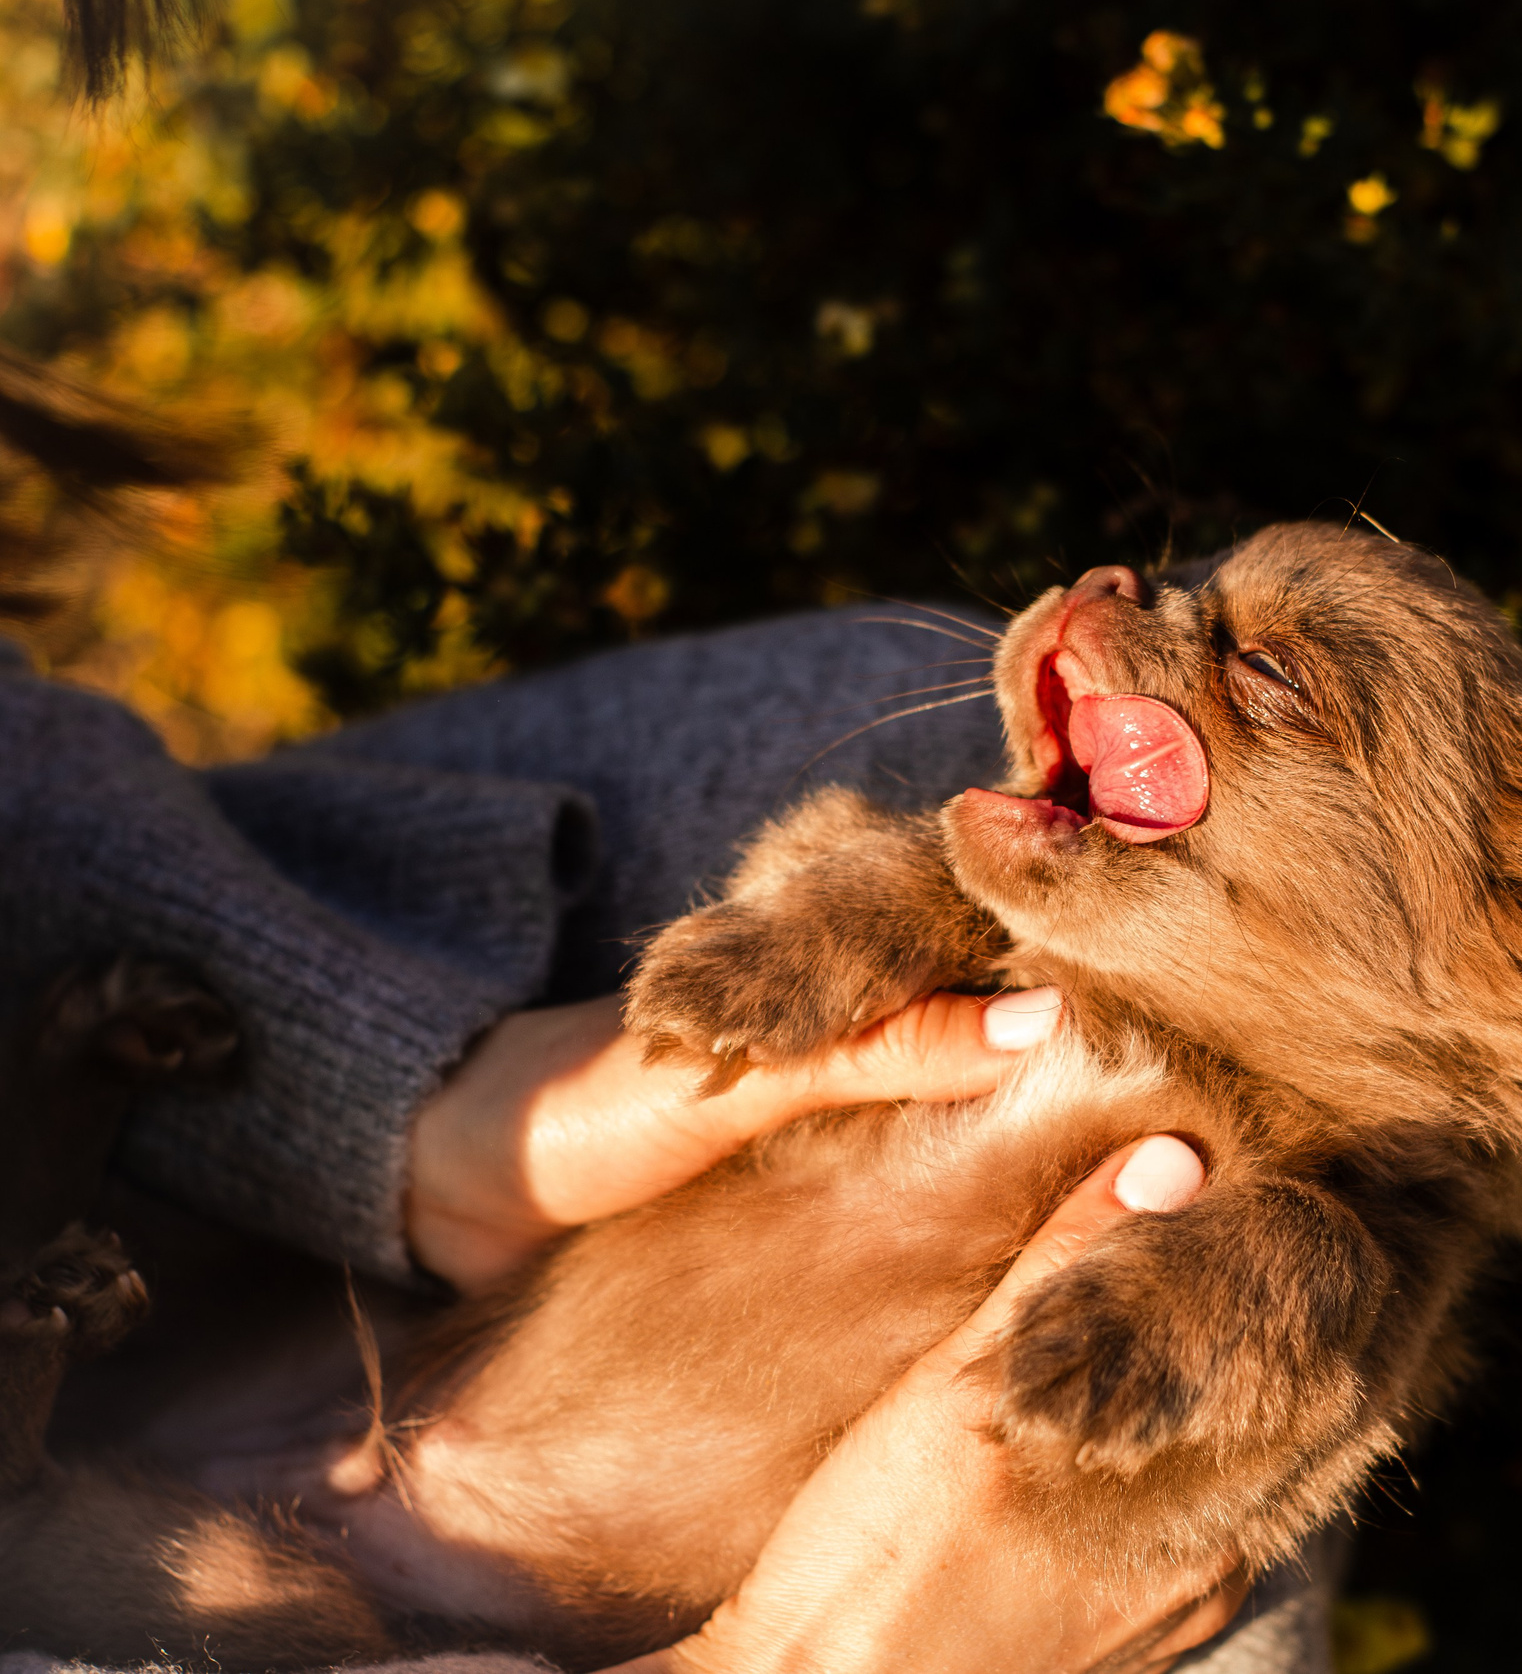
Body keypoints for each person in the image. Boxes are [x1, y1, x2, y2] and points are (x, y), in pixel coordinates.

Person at [0, 605, 1339, 1674]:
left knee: (874, 732)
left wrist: (420, 1114)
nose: (1118, 594)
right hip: (391, 1604)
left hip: (260, 1342)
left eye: (1268, 668)